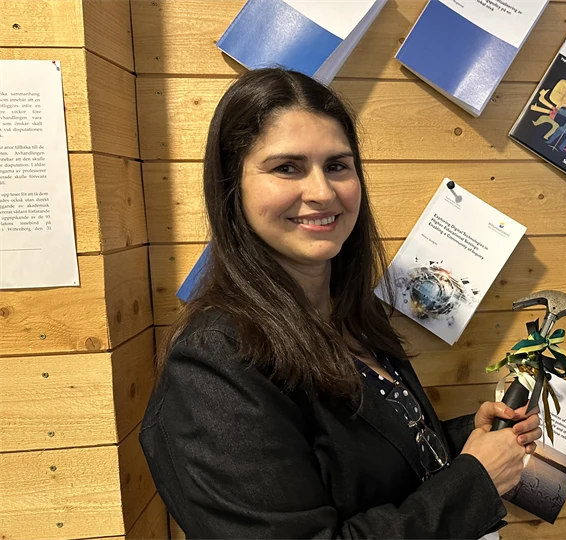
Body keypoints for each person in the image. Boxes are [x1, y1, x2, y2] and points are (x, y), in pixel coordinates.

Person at [139, 68, 542, 540]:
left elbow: (358, 466)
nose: (322, 192)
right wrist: (475, 481)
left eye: (336, 166)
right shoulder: (217, 361)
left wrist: (461, 440)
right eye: (286, 167)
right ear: (233, 187)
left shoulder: (350, 315)